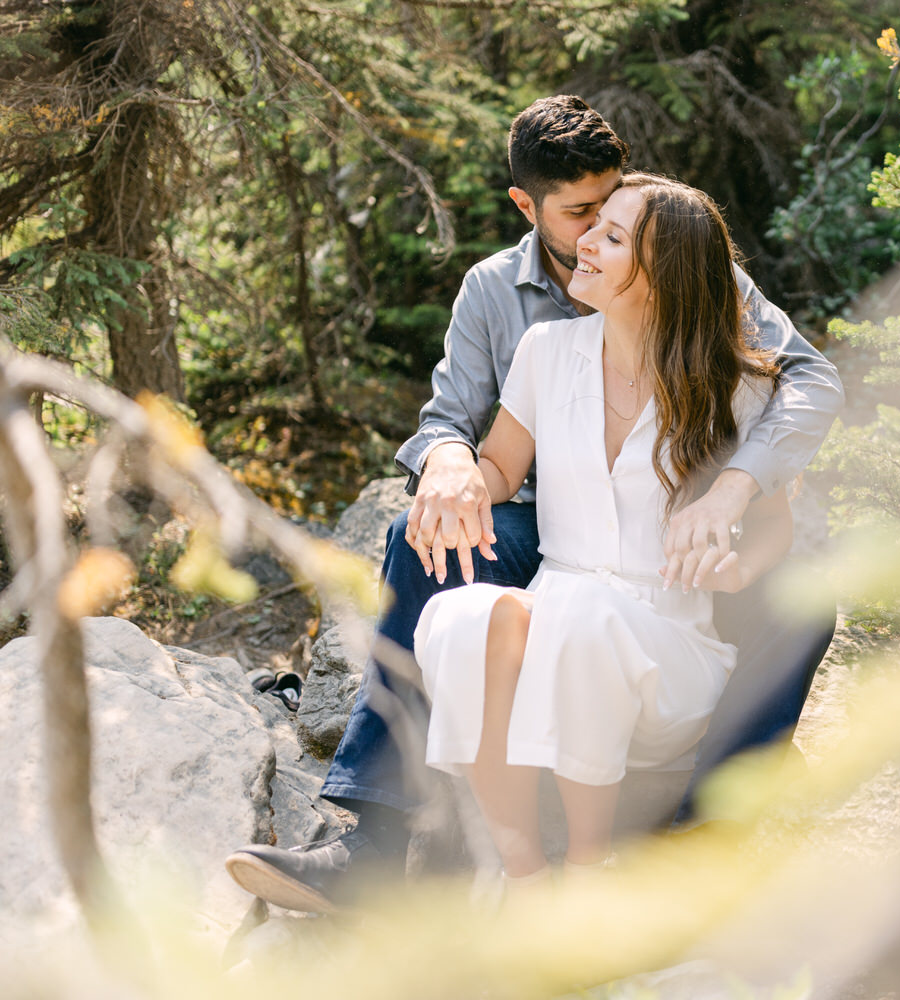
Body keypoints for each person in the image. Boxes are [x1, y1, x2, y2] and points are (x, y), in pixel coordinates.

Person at [224, 96, 842, 913]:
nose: (593, 230)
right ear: (528, 205)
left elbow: (805, 380)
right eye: (581, 213)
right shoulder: (500, 301)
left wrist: (734, 492)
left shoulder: (696, 269)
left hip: (664, 549)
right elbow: (465, 432)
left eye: (611, 209)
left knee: (802, 602)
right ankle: (376, 842)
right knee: (426, 553)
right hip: (543, 530)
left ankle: (700, 832)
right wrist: (448, 466)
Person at [418, 173, 790, 883]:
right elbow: (499, 466)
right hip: (558, 606)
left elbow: (775, 523)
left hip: (667, 649)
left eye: (612, 237)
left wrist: (738, 570)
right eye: (594, 228)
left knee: (586, 616)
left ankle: (590, 870)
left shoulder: (738, 384)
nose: (583, 242)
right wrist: (458, 472)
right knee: (460, 618)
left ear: (663, 273)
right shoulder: (545, 350)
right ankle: (523, 874)